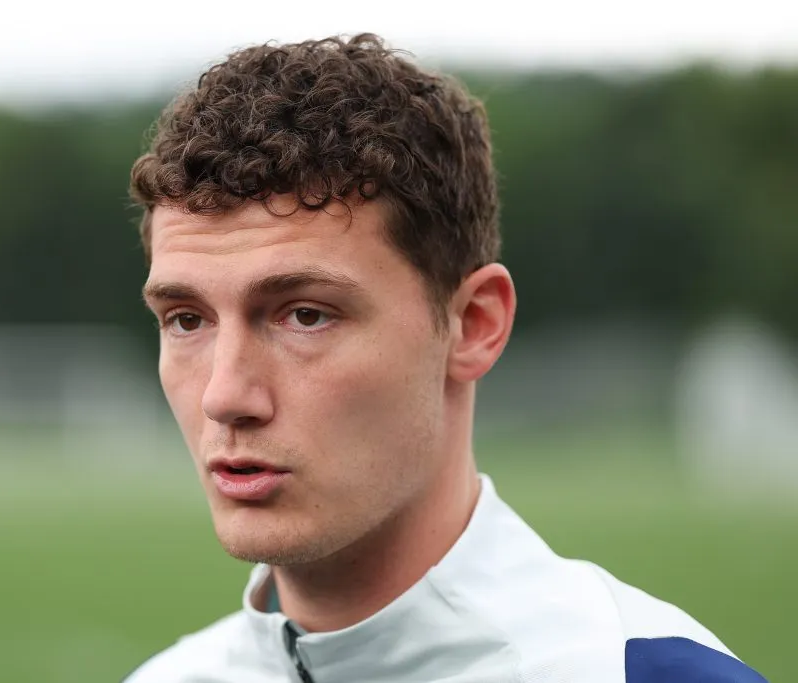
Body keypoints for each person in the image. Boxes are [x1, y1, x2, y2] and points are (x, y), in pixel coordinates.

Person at [124, 33, 767, 683]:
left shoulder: (635, 670)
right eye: (187, 320)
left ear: (473, 324)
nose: (225, 395)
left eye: (306, 314)